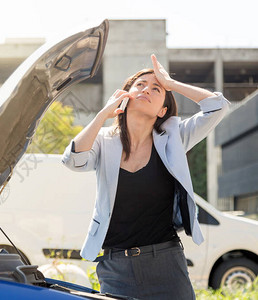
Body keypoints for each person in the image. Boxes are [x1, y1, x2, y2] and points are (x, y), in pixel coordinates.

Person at [61, 54, 230, 299]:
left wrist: (171, 84)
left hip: (166, 263)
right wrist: (101, 116)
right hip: (115, 266)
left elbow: (218, 106)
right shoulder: (104, 140)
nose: (146, 89)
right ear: (124, 96)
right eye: (139, 85)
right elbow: (73, 161)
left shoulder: (174, 138)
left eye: (156, 88)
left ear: (162, 110)